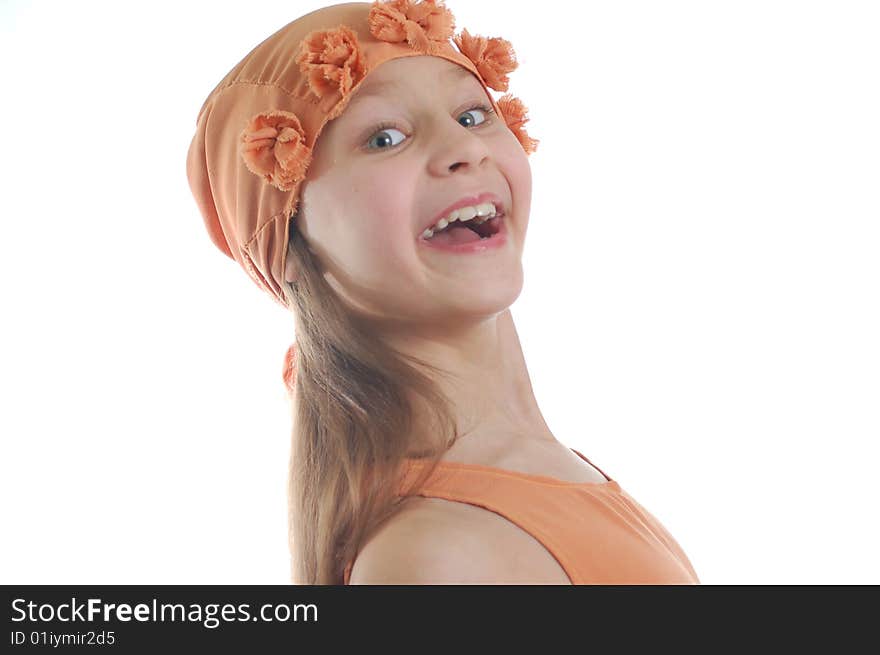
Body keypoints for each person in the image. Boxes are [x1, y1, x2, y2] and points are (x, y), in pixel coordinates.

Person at [186, 0, 700, 585]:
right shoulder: (437, 558)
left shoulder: (544, 474)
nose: (466, 148)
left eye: (474, 114)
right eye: (383, 137)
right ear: (294, 239)